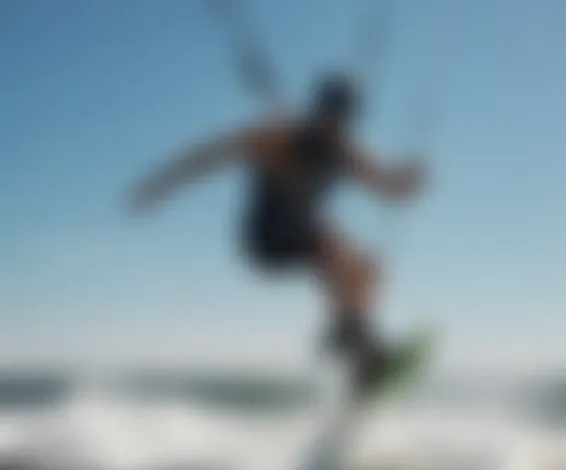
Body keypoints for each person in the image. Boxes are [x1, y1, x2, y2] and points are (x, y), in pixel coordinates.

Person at [127, 70, 427, 393]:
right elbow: (206, 157)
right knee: (330, 240)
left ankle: (356, 359)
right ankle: (350, 338)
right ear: (316, 110)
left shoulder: (345, 154)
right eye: (327, 114)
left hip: (303, 238)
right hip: (263, 241)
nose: (332, 126)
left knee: (368, 268)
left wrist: (407, 182)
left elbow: (387, 186)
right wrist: (156, 188)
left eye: (341, 120)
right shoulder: (274, 139)